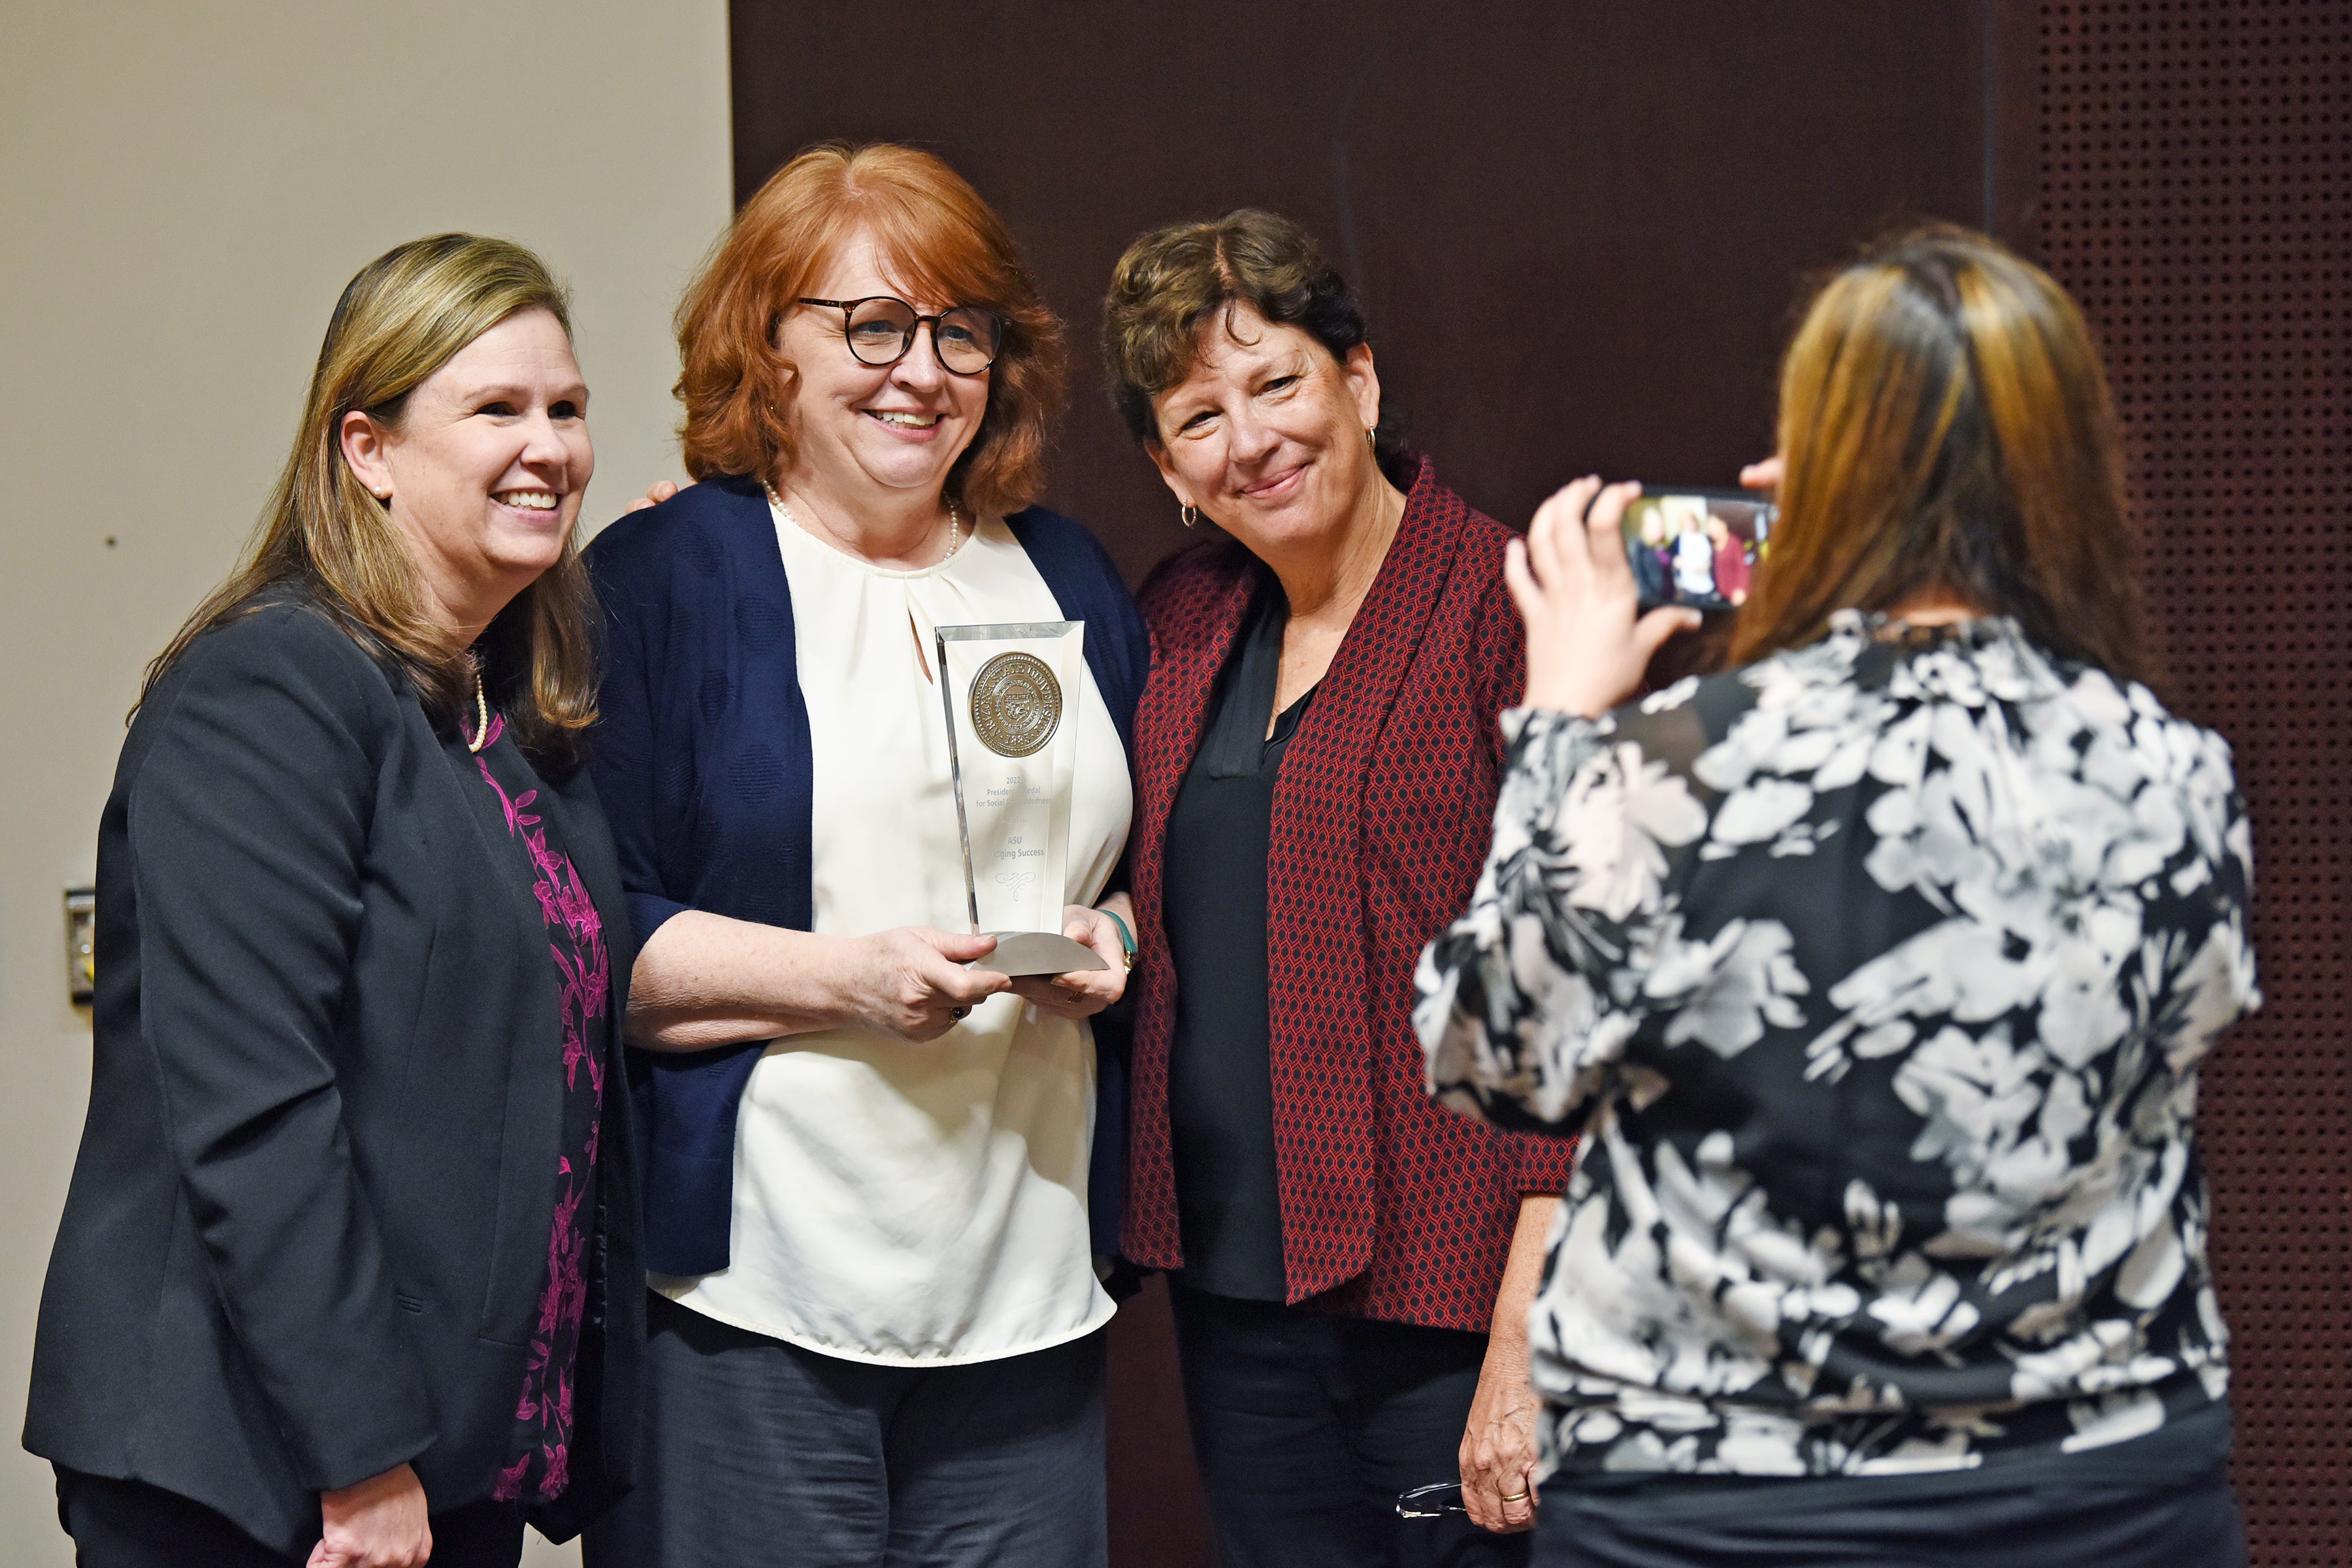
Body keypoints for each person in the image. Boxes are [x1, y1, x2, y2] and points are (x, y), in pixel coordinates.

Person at [1418, 226, 2255, 1567]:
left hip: (1716, 1493)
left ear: (1818, 472)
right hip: (2097, 1484)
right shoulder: (2173, 771)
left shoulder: (1673, 761)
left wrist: (1566, 715)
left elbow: (1493, 1057)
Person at [25, 235, 643, 1567]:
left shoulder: (500, 709)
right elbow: (255, 1110)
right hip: (270, 1468)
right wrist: (360, 1460)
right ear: (366, 448)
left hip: (448, 1453)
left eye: (567, 408)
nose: (549, 446)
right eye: (497, 410)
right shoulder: (270, 690)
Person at [580, 143, 1147, 1568]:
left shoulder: (1068, 573)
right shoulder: (662, 580)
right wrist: (853, 980)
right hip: (756, 1300)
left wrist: (1118, 945)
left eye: (962, 329)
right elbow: (590, 935)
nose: (922, 370)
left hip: (1026, 1286)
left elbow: (1136, 863)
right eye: (871, 325)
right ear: (765, 346)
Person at [1100, 208, 1579, 1567]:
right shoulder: (1179, 618)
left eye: (1277, 381)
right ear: (1167, 466)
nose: (1250, 440)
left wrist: (1526, 1344)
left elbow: (1593, 1004)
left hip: (1453, 1313)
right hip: (1235, 1301)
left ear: (1357, 379)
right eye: (1199, 418)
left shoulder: (1519, 609)